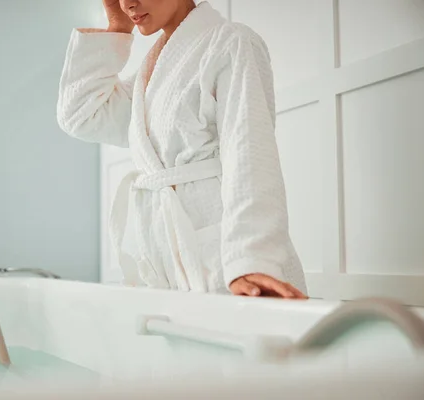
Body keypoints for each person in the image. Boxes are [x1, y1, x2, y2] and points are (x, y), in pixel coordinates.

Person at [57, 0, 307, 299]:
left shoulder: (231, 42)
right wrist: (116, 29)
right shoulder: (150, 72)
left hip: (229, 260)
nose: (127, 4)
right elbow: (80, 115)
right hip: (167, 256)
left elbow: (250, 155)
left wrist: (252, 261)